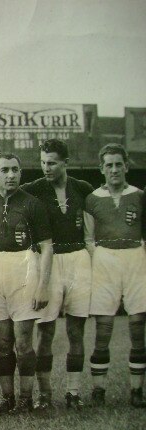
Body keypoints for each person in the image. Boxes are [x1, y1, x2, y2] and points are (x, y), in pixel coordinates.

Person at [21, 140, 93, 410]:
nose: (46, 167)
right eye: (42, 162)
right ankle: (45, 393)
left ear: (66, 162)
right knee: (46, 331)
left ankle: (73, 392)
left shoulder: (83, 189)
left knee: (76, 331)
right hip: (48, 260)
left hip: (78, 259)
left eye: (51, 162)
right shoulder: (33, 189)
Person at [0, 152, 53, 414]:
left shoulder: (33, 204)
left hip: (25, 268)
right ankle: (6, 397)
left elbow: (46, 247)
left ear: (21, 173)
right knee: (3, 343)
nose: (10, 175)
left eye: (15, 170)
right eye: (5, 170)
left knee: (23, 343)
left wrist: (43, 285)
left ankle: (26, 396)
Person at [84, 143, 146, 408]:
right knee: (103, 327)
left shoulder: (140, 196)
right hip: (105, 258)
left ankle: (136, 391)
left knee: (138, 324)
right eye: (108, 165)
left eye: (118, 164)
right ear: (101, 169)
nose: (114, 169)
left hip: (135, 256)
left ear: (126, 166)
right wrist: (99, 257)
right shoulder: (93, 199)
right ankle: (99, 390)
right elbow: (88, 237)